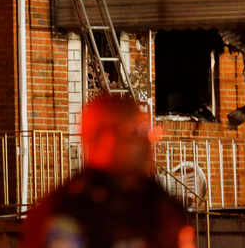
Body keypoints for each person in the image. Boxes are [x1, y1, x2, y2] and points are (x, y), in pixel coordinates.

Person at [21, 97, 195, 248]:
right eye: (137, 131)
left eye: (148, 131)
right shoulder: (68, 212)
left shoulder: (157, 201)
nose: (147, 142)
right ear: (102, 138)